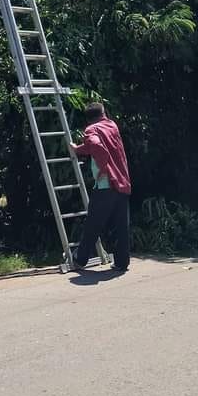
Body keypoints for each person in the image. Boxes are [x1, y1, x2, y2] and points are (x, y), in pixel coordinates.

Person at [70, 102, 132, 272]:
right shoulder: (112, 125)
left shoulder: (92, 130)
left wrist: (103, 168)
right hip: (122, 181)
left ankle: (80, 259)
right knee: (121, 226)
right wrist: (80, 148)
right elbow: (97, 146)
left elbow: (97, 147)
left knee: (93, 223)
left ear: (88, 118)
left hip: (106, 184)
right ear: (103, 113)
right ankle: (121, 262)